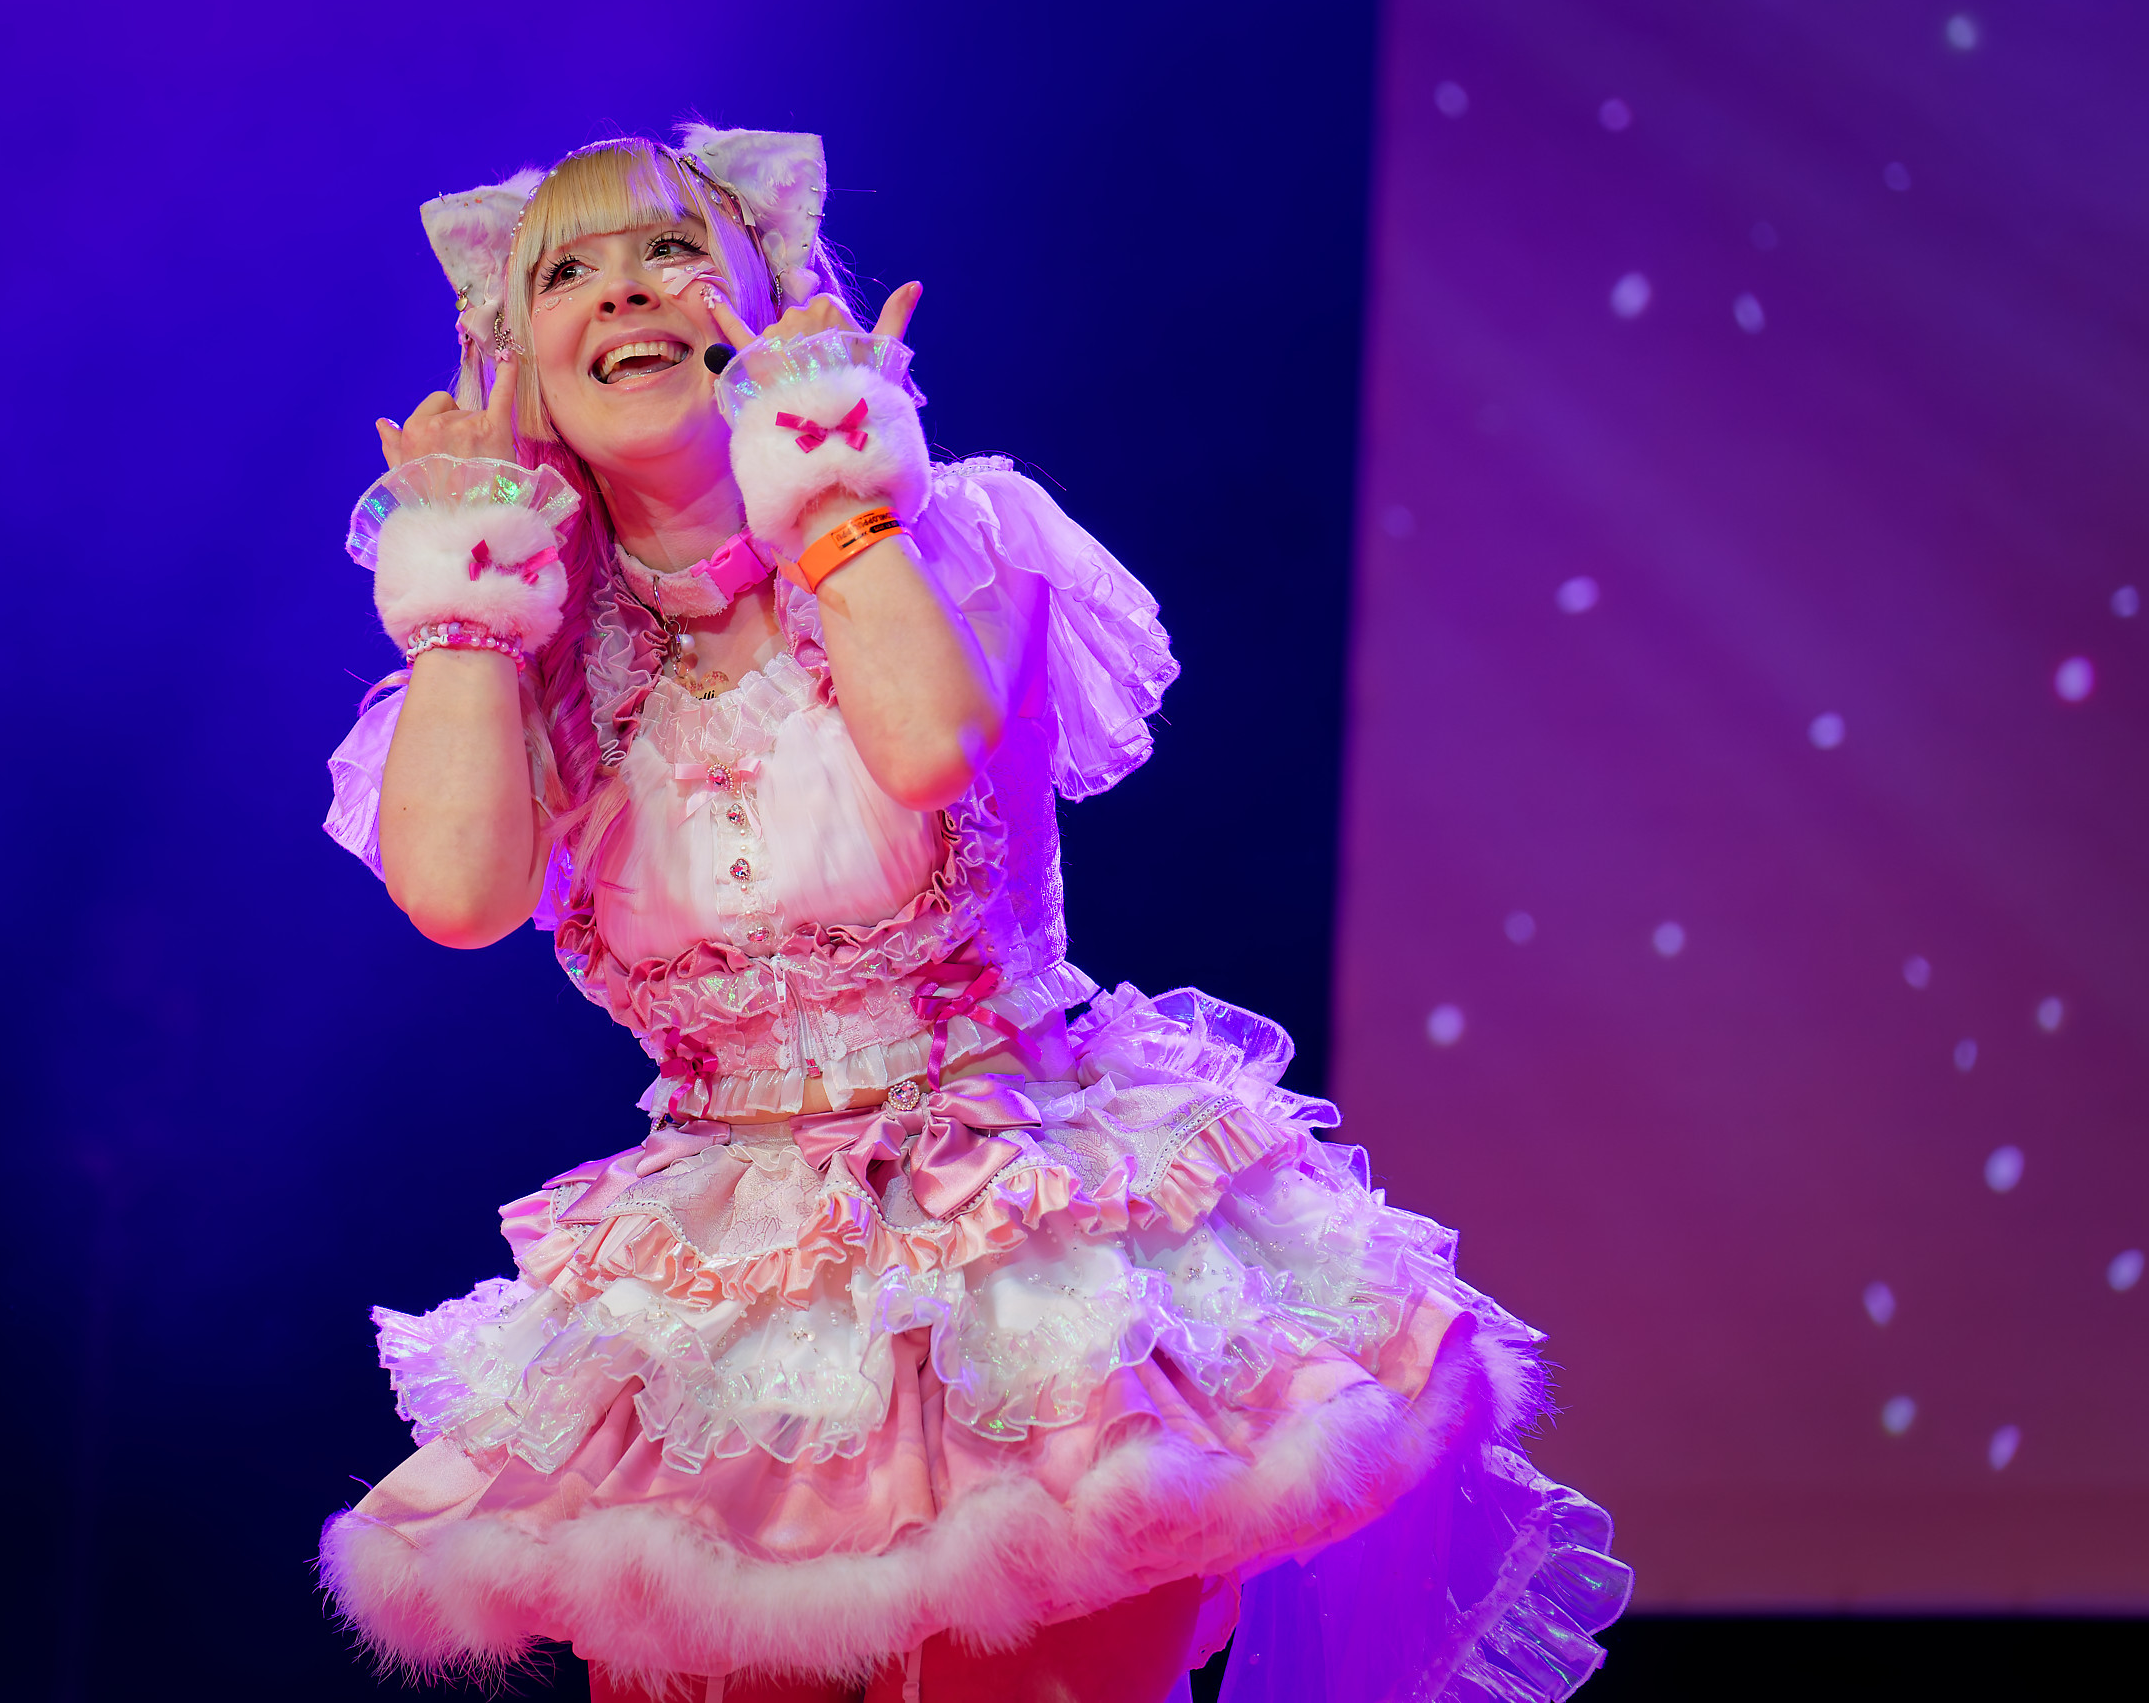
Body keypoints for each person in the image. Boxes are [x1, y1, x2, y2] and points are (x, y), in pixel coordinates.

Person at [316, 127, 1629, 1703]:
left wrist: (831, 488)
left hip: (1020, 1237)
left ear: (771, 299)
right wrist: (468, 593)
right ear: (519, 354)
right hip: (728, 1277)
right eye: (568, 273)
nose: (625, 292)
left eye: (671, 250)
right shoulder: (525, 653)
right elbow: (457, 899)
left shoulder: (953, 530)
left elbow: (929, 746)